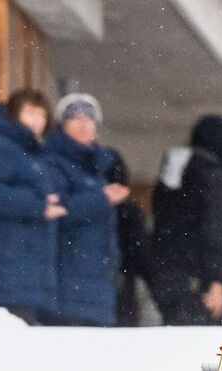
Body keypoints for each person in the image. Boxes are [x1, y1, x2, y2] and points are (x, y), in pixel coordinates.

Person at [0, 88, 64, 325]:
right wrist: (37, 205)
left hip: (25, 269)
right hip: (6, 264)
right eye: (30, 113)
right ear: (13, 113)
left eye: (42, 115)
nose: (36, 121)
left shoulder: (31, 152)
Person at [45, 93, 129, 327]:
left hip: (98, 285)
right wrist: (101, 199)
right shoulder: (51, 163)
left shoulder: (99, 167)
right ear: (61, 125)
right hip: (66, 286)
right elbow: (56, 212)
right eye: (75, 117)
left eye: (89, 118)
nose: (83, 123)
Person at [150, 115, 222, 325]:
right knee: (198, 336)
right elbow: (212, 231)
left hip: (165, 268)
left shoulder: (173, 170)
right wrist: (216, 280)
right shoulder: (213, 176)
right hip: (196, 276)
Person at [104, 149, 150, 327]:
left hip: (96, 284)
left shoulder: (85, 207)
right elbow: (141, 255)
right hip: (123, 282)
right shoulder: (129, 212)